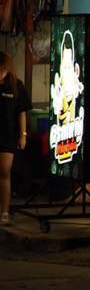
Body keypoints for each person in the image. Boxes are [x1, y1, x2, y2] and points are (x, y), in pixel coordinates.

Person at [0, 52, 31, 226]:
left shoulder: (16, 85)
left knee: (5, 171)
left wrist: (23, 135)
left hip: (8, 135)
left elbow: (22, 112)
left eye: (2, 69)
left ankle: (5, 212)